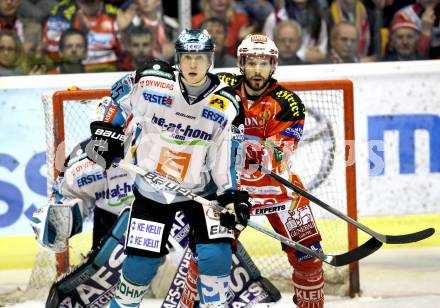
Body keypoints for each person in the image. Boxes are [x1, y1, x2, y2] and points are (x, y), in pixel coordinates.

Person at [86, 28, 251, 308]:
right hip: (152, 190)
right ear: (178, 58)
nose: (193, 64)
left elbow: (226, 155)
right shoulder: (154, 82)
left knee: (216, 257)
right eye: (187, 57)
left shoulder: (228, 104)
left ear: (210, 59)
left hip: (202, 190)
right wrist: (105, 133)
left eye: (200, 57)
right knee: (140, 266)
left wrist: (231, 196)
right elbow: (118, 96)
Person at [181, 34, 325, 308]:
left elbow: (279, 151)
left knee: (310, 257)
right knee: (205, 258)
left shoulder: (288, 102)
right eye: (251, 63)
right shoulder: (220, 87)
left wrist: (253, 149)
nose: (257, 70)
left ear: (273, 66)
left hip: (277, 189)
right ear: (241, 63)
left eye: (264, 63)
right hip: (228, 188)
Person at [43, 0, 121, 72]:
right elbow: (53, 52)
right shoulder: (61, 12)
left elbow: (125, 54)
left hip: (108, 72)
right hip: (67, 73)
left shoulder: (115, 13)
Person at [263, 0, 328, 64]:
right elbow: (267, 49)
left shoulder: (319, 19)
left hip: (309, 67)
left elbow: (322, 51)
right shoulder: (275, 18)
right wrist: (301, 55)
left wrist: (317, 54)